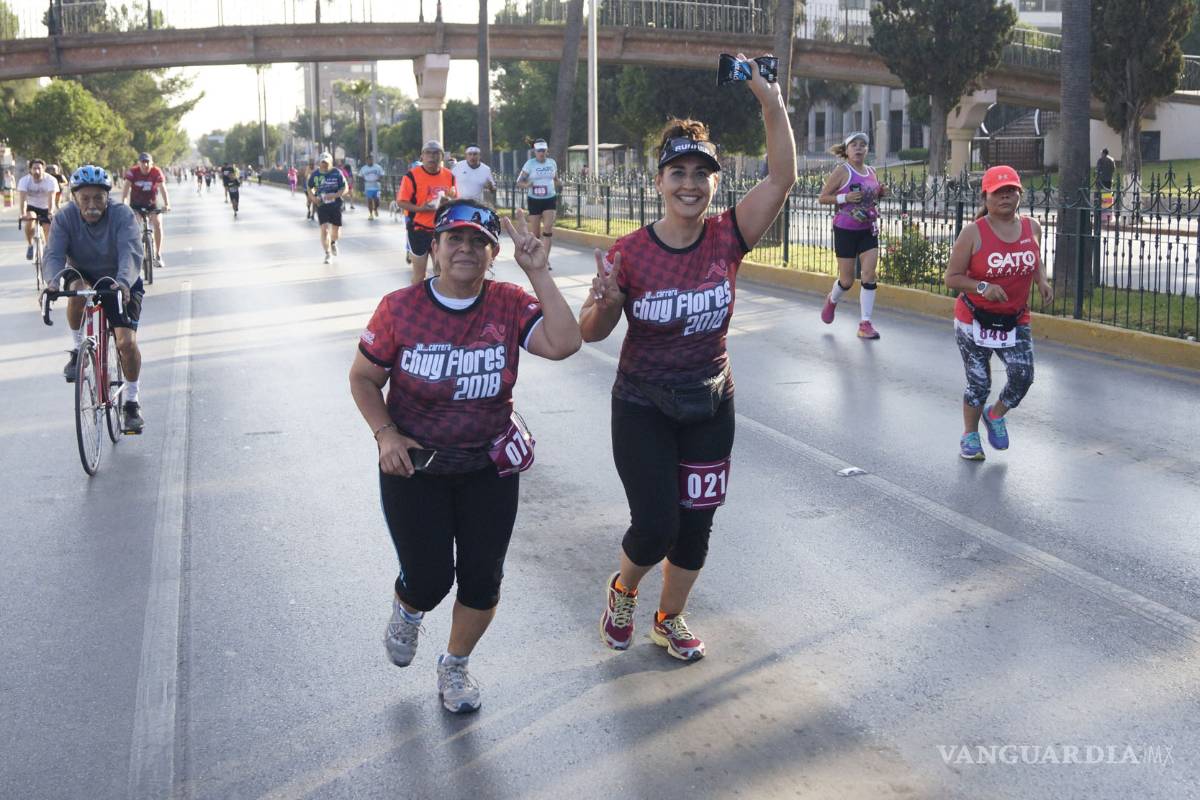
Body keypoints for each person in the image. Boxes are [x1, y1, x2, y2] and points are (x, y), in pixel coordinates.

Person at [580, 53, 795, 662]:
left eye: (702, 174)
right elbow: (590, 333)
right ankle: (624, 588)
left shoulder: (729, 235)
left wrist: (766, 97)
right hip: (642, 404)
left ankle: (667, 618)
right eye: (678, 172)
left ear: (715, 184)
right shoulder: (628, 254)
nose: (690, 184)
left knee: (696, 527)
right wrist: (606, 302)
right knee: (655, 526)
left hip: (710, 400)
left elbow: (782, 177)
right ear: (659, 182)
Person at [349, 200, 581, 713]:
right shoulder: (399, 308)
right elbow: (363, 378)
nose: (466, 249)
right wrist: (385, 433)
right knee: (430, 579)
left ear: (493, 254)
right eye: (454, 238)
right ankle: (408, 610)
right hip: (415, 467)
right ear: (433, 249)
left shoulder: (507, 301)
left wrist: (539, 272)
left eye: (479, 241)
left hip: (487, 467)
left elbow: (564, 342)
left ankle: (454, 665)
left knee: (482, 577)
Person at [944, 165, 1053, 461]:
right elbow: (951, 278)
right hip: (974, 319)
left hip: (1014, 318)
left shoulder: (1032, 227)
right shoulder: (973, 233)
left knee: (1023, 375)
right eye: (998, 192)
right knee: (979, 383)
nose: (1005, 196)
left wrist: (1041, 280)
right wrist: (982, 287)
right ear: (986, 197)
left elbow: (1035, 257)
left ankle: (995, 415)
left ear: (1020, 194)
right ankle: (969, 435)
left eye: (1011, 191)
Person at [43, 165, 146, 433]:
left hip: (120, 279)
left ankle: (132, 402)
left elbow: (131, 253)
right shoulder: (65, 217)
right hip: (84, 273)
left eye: (98, 198)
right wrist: (53, 281)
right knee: (76, 289)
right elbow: (53, 254)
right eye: (85, 198)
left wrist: (123, 282)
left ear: (107, 197)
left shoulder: (122, 215)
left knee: (126, 342)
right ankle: (79, 350)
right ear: (74, 198)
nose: (92, 205)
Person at [817, 131, 888, 339]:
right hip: (845, 230)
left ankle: (865, 323)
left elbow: (871, 196)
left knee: (869, 274)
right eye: (854, 145)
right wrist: (845, 197)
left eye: (863, 145)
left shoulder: (871, 171)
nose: (859, 148)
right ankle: (832, 300)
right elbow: (823, 198)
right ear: (847, 150)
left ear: (867, 150)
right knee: (847, 281)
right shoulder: (842, 171)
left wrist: (881, 192)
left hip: (867, 229)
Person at [396, 140, 456, 284]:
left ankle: (438, 304)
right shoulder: (411, 176)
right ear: (422, 157)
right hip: (418, 229)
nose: (432, 157)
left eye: (436, 153)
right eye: (428, 153)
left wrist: (448, 201)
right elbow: (401, 202)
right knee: (419, 275)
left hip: (441, 230)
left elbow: (454, 199)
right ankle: (416, 303)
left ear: (442, 157)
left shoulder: (449, 176)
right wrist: (421, 208)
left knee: (441, 272)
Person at [121, 152, 171, 269]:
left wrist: (167, 204)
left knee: (157, 224)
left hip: (152, 204)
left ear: (151, 163)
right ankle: (139, 254)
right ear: (139, 163)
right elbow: (126, 188)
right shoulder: (133, 172)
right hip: (136, 204)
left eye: (148, 162)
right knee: (136, 226)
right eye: (143, 162)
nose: (146, 165)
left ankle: (157, 254)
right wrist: (123, 203)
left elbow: (163, 189)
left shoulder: (156, 172)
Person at [516, 139, 560, 258]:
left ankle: (545, 259)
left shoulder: (552, 163)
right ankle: (536, 256)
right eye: (539, 151)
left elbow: (555, 179)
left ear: (547, 151)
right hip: (534, 200)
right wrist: (527, 185)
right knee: (535, 233)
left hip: (549, 199)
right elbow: (519, 182)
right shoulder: (530, 164)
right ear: (535, 152)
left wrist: (559, 183)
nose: (541, 153)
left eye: (543, 151)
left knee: (548, 229)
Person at [308, 152, 349, 264]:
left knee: (335, 231)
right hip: (322, 205)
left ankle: (333, 242)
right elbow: (311, 188)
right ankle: (328, 254)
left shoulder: (337, 173)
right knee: (324, 229)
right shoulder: (315, 175)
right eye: (322, 163)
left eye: (326, 163)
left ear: (330, 162)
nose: (324, 165)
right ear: (319, 163)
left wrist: (335, 195)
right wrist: (313, 198)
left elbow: (345, 188)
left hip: (335, 205)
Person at [17, 159, 59, 260]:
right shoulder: (24, 181)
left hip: (46, 207)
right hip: (31, 206)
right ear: (30, 170)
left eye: (39, 168)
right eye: (34, 168)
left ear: (44, 169)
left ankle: (48, 251)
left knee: (47, 229)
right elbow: (22, 199)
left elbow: (51, 199)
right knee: (31, 217)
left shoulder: (51, 180)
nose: (37, 171)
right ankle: (30, 245)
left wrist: (50, 212)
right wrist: (22, 213)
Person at [358, 154, 386, 220]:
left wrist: (379, 179)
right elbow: (360, 176)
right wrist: (363, 181)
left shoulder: (378, 167)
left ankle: (375, 209)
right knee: (369, 200)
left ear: (372, 160)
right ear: (366, 161)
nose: (370, 161)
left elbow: (382, 174)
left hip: (376, 186)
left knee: (377, 201)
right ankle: (371, 214)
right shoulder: (363, 168)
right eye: (368, 160)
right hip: (368, 187)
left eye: (371, 160)